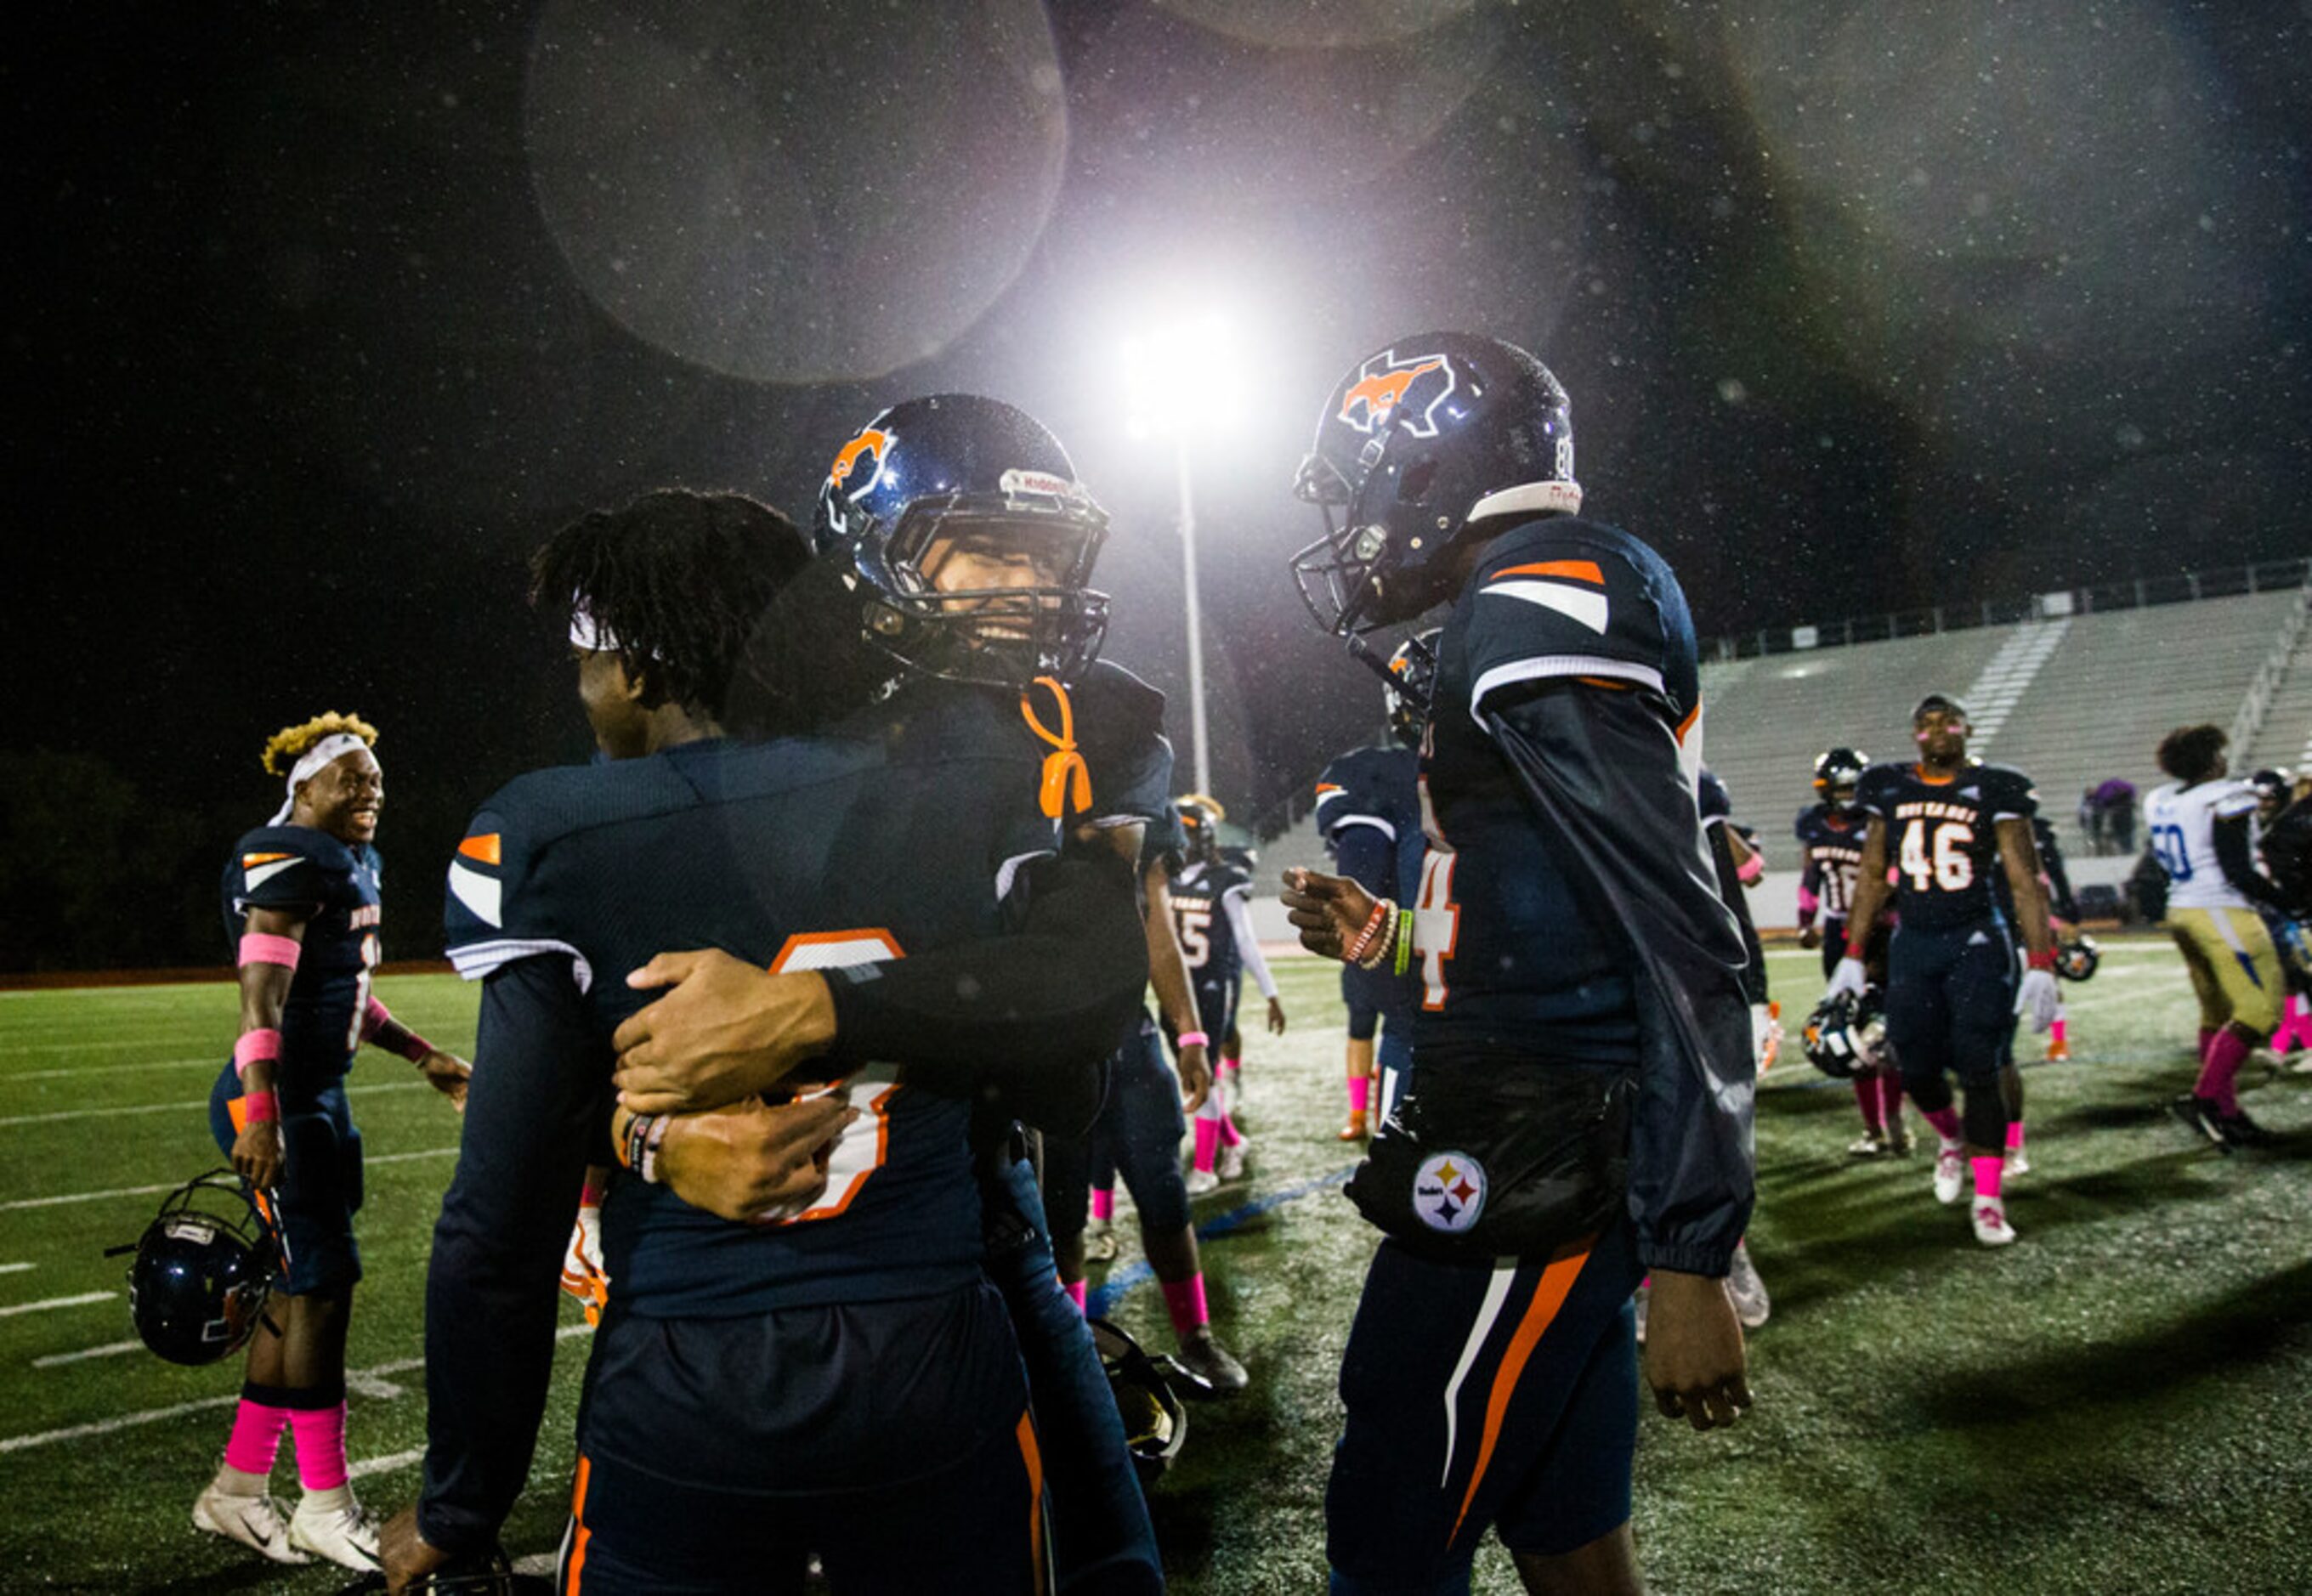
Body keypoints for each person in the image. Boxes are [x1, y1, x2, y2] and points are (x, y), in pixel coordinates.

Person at [384, 478, 1149, 1593]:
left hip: (689, 1374)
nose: (584, 689)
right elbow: (1070, 1065)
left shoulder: (557, 833)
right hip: (941, 1354)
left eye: (587, 660)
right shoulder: (973, 780)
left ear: (637, 662)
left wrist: (462, 1499)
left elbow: (498, 1225)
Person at [1284, 331, 1754, 1594]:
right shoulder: (1521, 595)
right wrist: (1385, 933)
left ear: (1430, 466)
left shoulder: (1546, 589)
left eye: (1362, 479)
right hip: (1528, 1116)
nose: (1356, 521)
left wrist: (1694, 1248)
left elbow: (1679, 928)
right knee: (1562, 1517)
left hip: (1535, 1142)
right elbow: (1544, 902)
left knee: (1392, 1514)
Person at [196, 712, 471, 1572]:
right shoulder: (285, 857)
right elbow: (262, 1000)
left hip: (318, 1096)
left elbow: (344, 994)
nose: (370, 791)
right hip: (279, 1101)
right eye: (350, 778)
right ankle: (324, 1501)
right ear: (304, 787)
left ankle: (237, 1490)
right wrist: (263, 1115)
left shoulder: (350, 864)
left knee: (299, 1288)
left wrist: (421, 1053)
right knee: (319, 1294)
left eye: (377, 780)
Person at [1828, 695, 2058, 1246]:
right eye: (1925, 724)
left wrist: (2042, 960)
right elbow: (1872, 877)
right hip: (1915, 941)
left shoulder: (1996, 786)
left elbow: (2025, 878)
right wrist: (1853, 954)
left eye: (1947, 721)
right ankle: (1951, 1140)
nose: (1936, 731)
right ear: (1914, 735)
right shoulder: (1889, 786)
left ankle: (1988, 1199)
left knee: (1981, 1065)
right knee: (1913, 1063)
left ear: (1967, 729)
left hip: (1976, 940)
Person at [2144, 725, 2292, 1147]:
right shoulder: (2225, 796)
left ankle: (2227, 1113)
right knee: (2261, 1012)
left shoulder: (2160, 799)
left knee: (2216, 1013)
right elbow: (2237, 869)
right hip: (2220, 909)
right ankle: (2205, 1099)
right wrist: (2286, 902)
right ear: (2211, 759)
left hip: (2182, 909)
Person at [1312, 632, 1431, 1142]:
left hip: (1423, 1017)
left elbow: (1357, 892)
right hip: (1537, 1018)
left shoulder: (1374, 774)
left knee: (1422, 1201)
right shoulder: (1543, 763)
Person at [1169, 795, 1284, 1193]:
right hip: (1177, 993)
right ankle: (1234, 1143)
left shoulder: (1226, 879)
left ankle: (1204, 1167)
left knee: (1201, 1076)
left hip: (1212, 987)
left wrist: (1270, 993)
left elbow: (1246, 941)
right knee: (1192, 1078)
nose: (1179, 843)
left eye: (1186, 834)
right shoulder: (1161, 879)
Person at [1796, 746, 1907, 1155]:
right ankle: (1873, 1130)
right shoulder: (1812, 824)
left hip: (1882, 930)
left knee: (1884, 1033)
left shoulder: (1879, 823)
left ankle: (1894, 1124)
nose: (1845, 795)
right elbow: (1812, 875)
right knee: (1847, 1029)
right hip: (1839, 930)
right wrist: (1806, 920)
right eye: (1838, 787)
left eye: (1850, 787)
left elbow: (1891, 876)